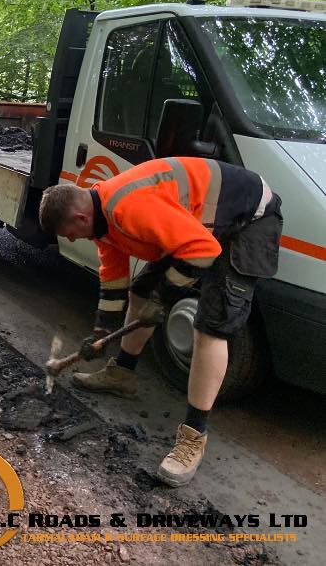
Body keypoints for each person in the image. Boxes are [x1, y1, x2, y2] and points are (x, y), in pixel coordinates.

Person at [38, 157, 282, 487]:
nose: (73, 239)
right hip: (199, 225)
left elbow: (203, 250)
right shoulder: (101, 222)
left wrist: (163, 297)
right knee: (141, 289)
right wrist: (101, 331)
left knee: (210, 326)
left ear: (81, 217)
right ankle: (122, 374)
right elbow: (114, 280)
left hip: (247, 220)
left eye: (71, 233)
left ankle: (193, 438)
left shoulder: (128, 208)